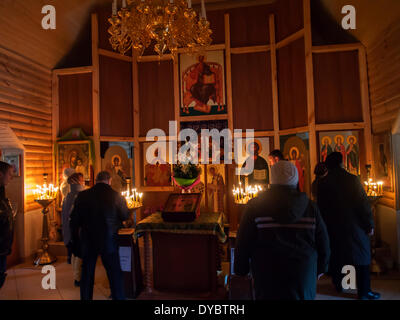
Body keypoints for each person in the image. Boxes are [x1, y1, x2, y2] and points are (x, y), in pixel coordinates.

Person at [234, 161, 330, 300]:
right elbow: (324, 242)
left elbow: (243, 242)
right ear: (296, 179)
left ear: (271, 180)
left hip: (266, 273)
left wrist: (241, 270)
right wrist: (320, 269)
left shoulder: (255, 206)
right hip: (302, 273)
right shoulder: (310, 207)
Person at [317, 152, 380, 300]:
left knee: (338, 255)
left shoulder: (323, 183)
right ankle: (364, 292)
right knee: (361, 257)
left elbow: (321, 208)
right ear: (342, 162)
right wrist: (369, 224)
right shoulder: (352, 180)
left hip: (332, 227)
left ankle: (340, 285)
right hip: (354, 226)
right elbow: (362, 204)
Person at [70, 171, 129, 300]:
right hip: (109, 241)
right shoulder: (116, 195)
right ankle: (118, 297)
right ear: (109, 180)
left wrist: (75, 243)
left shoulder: (83, 195)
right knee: (114, 274)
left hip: (88, 240)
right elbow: (125, 215)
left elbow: (74, 220)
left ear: (96, 180)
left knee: (87, 274)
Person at [61, 172, 84, 285]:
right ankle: (78, 278)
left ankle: (77, 277)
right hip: (78, 230)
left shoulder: (68, 196)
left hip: (72, 231)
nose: (83, 182)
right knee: (79, 255)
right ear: (77, 181)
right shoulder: (78, 195)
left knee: (76, 254)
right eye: (82, 180)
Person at [0, 161, 15, 290]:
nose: (11, 177)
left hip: (3, 247)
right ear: (0, 174)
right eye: (9, 174)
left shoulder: (2, 193)